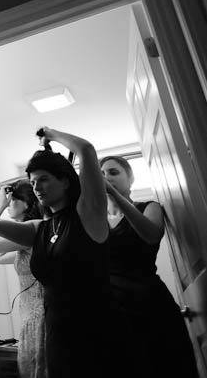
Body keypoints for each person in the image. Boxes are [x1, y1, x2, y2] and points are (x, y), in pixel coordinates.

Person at [0, 126, 116, 378]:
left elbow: (86, 150)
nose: (38, 187)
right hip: (56, 335)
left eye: (44, 179)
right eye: (34, 181)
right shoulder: (40, 228)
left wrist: (50, 134)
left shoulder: (89, 214)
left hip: (95, 330)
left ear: (66, 181)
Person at [101, 155, 199, 378]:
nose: (107, 178)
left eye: (113, 172)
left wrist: (115, 194)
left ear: (131, 178)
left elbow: (152, 235)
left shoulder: (150, 206)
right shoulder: (95, 219)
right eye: (102, 175)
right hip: (114, 310)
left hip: (151, 304)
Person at [0, 180, 46, 378]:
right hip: (29, 318)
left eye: (13, 200)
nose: (8, 204)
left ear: (27, 203)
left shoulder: (31, 233)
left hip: (40, 319)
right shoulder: (25, 239)